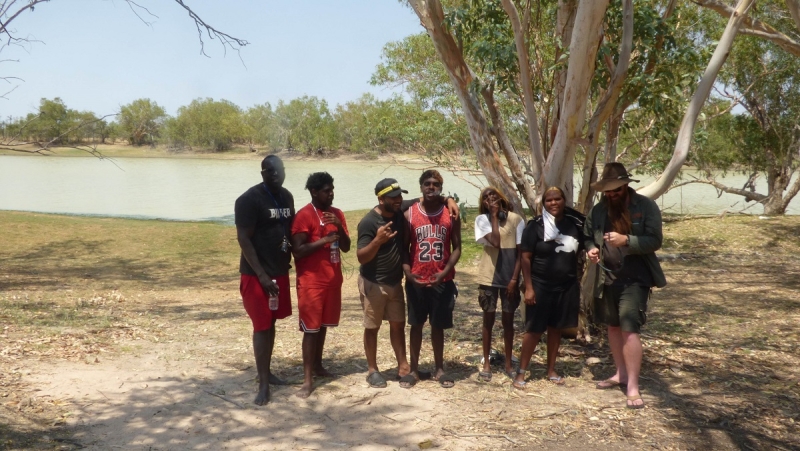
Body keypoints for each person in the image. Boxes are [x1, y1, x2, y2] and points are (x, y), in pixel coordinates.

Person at [584, 162, 666, 409]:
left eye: (615, 190)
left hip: (636, 277)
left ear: (626, 185)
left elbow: (655, 240)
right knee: (613, 326)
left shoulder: (645, 206)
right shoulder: (599, 211)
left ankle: (633, 386)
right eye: (607, 191)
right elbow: (587, 235)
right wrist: (591, 249)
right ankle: (619, 373)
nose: (611, 195)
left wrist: (626, 240)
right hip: (606, 278)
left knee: (630, 329)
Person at [234, 155, 295, 405]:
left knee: (271, 324)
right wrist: (261, 274)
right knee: (261, 326)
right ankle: (262, 385)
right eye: (270, 171)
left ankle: (267, 372)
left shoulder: (287, 196)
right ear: (262, 173)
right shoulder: (249, 200)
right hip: (257, 275)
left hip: (279, 272)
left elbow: (288, 231)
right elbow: (244, 238)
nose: (276, 174)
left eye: (279, 170)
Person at [512, 186, 584, 389]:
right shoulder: (535, 226)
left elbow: (587, 242)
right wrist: (528, 287)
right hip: (540, 285)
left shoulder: (575, 223)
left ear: (564, 200)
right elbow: (525, 257)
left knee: (556, 328)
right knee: (534, 330)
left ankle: (551, 369)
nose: (553, 203)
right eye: (549, 200)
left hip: (567, 285)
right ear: (544, 203)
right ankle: (521, 372)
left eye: (557, 199)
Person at [291, 172, 351, 398]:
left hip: (332, 280)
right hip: (311, 283)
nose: (331, 193)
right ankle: (307, 380)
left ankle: (318, 366)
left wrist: (340, 229)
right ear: (314, 192)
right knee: (310, 329)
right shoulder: (304, 216)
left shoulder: (337, 214)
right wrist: (324, 240)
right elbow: (297, 250)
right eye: (327, 190)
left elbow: (345, 247)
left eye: (332, 188)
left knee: (323, 326)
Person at [403, 169, 461, 388]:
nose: (431, 187)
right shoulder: (410, 213)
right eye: (427, 184)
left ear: (441, 188)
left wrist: (444, 272)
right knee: (416, 325)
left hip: (442, 281)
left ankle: (439, 369)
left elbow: (457, 249)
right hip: (417, 280)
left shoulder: (451, 213)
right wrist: (409, 274)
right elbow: (403, 248)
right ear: (421, 187)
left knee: (438, 326)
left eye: (436, 184)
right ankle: (414, 370)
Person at [356, 178, 413, 389]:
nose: (399, 200)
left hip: (395, 282)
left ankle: (403, 367)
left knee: (398, 325)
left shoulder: (398, 210)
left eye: (400, 196)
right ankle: (372, 370)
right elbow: (361, 256)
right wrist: (378, 241)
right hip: (373, 283)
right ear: (381, 199)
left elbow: (422, 199)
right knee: (372, 327)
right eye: (393, 197)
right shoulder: (369, 222)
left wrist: (449, 199)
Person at [474, 187, 524, 381]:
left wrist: (514, 279)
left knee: (508, 322)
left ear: (501, 197)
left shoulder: (516, 220)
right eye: (486, 198)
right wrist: (494, 217)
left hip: (509, 277)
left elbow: (521, 253)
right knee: (488, 321)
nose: (490, 199)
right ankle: (487, 362)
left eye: (493, 195)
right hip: (489, 277)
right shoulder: (482, 220)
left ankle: (509, 363)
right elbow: (495, 242)